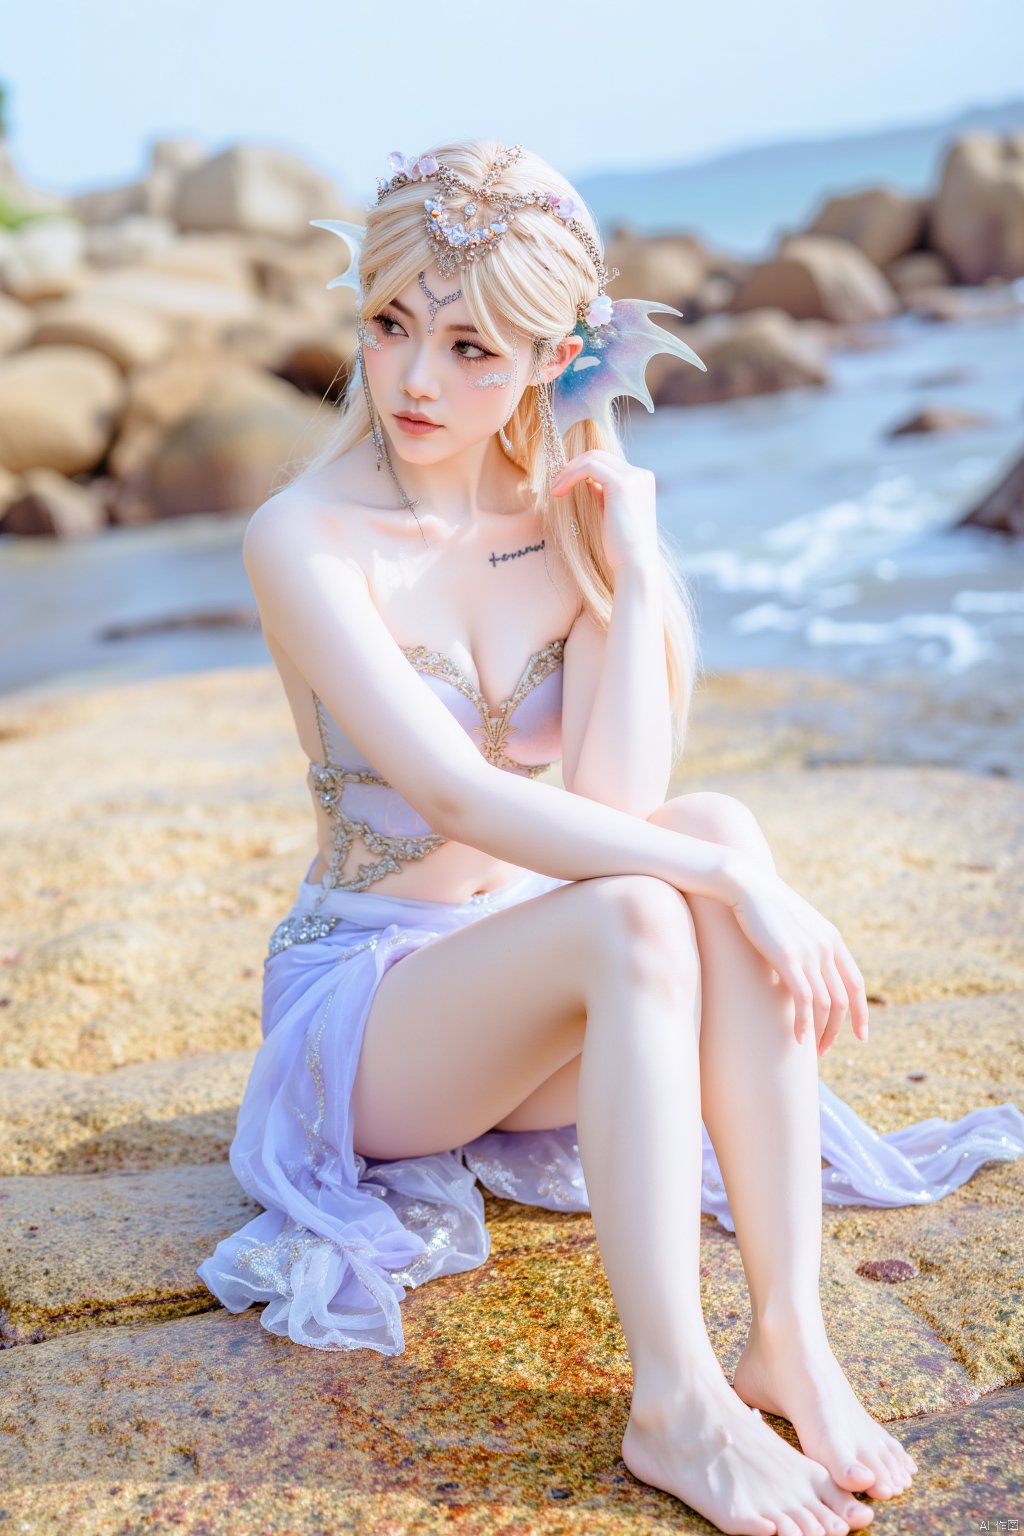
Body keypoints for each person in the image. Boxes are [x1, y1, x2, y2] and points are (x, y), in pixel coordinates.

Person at [197, 140, 1024, 1536]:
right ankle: (676, 1404)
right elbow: (462, 805)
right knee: (676, 884)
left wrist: (629, 568)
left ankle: (788, 1337)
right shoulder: (305, 535)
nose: (414, 380)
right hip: (370, 1009)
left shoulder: (558, 518)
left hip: (528, 990)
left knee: (705, 825)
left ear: (550, 357)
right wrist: (728, 879)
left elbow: (622, 805)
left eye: (471, 347)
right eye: (392, 324)